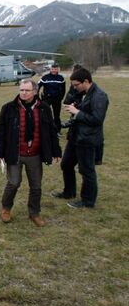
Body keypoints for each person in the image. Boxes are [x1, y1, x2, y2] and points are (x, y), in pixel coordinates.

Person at [0, 79, 62, 226]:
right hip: (15, 153)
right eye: (21, 90)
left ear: (35, 91)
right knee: (13, 183)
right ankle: (6, 208)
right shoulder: (8, 108)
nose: (24, 93)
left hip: (35, 155)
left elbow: (51, 130)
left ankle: (34, 213)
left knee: (36, 186)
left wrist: (56, 151)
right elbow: (1, 131)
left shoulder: (44, 108)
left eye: (27, 90)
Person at [52, 68, 108, 208]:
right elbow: (74, 106)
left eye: (76, 85)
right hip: (75, 137)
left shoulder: (100, 96)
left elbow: (97, 119)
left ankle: (88, 201)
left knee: (86, 170)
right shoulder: (82, 93)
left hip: (87, 139)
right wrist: (73, 110)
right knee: (66, 164)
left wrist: (77, 112)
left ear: (86, 81)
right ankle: (69, 192)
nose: (74, 87)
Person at [38, 63, 66, 133]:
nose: (54, 70)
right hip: (46, 99)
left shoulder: (61, 78)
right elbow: (37, 87)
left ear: (58, 69)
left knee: (57, 115)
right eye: (52, 69)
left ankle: (57, 131)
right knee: (44, 114)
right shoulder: (45, 77)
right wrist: (37, 97)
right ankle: (45, 129)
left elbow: (63, 89)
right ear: (50, 69)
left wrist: (60, 97)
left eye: (55, 69)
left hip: (57, 99)